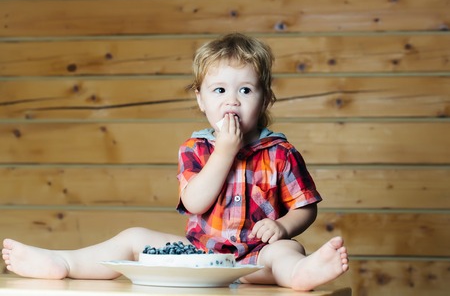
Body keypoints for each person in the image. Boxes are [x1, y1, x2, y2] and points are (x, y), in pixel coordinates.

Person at [2, 33, 348, 291]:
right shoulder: (195, 149)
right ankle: (64, 261)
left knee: (287, 250)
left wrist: (283, 227)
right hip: (197, 258)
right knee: (134, 237)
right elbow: (195, 201)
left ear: (265, 97)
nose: (232, 101)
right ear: (201, 100)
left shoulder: (279, 152)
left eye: (245, 90)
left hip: (253, 261)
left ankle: (301, 275)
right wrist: (225, 150)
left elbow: (305, 207)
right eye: (219, 91)